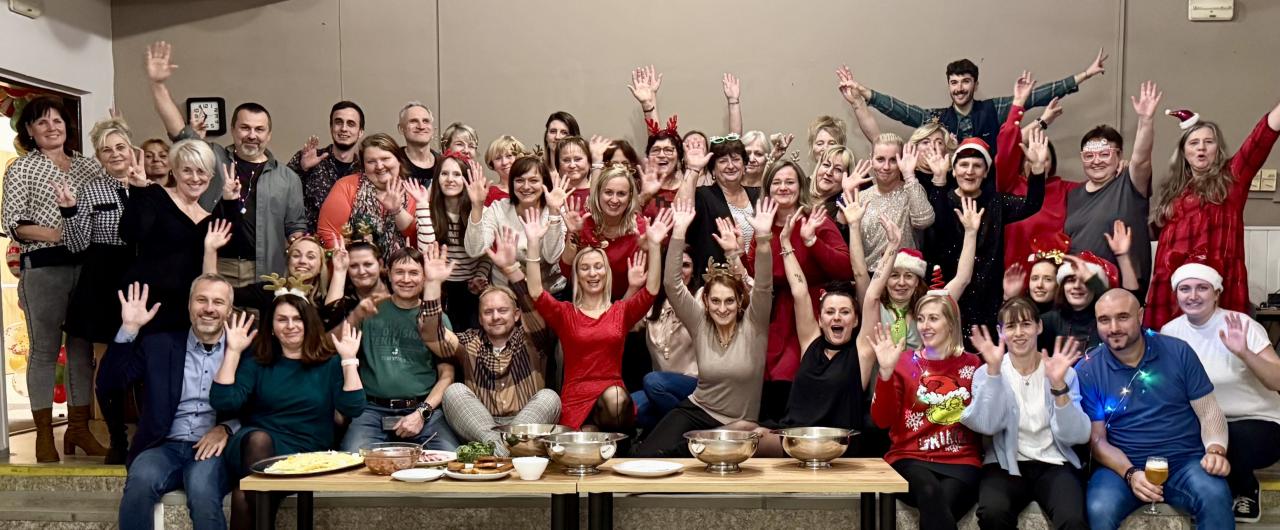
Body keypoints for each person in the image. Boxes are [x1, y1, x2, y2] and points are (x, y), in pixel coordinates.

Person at [146, 41, 307, 286]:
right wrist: (158, 85)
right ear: (233, 130)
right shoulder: (212, 157)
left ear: (269, 135)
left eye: (259, 129)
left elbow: (295, 227)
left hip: (265, 272)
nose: (252, 135)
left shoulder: (288, 178)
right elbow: (179, 133)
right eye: (245, 128)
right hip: (213, 263)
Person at [2, 96, 106, 462]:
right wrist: (61, 234)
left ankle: (78, 429)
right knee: (45, 350)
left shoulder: (88, 167)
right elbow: (13, 223)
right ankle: (45, 434)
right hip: (44, 267)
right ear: (29, 131)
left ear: (67, 126)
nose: (51, 127)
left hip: (87, 268)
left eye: (57, 120)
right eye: (42, 122)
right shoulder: (21, 168)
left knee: (81, 351)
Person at [1076, 289, 1234, 530]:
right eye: (1104, 320)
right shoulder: (1088, 369)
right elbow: (1097, 440)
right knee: (1099, 508)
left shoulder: (1178, 352)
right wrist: (1130, 473)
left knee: (1215, 494)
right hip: (1121, 468)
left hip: (1184, 463)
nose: (1114, 327)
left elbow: (1209, 411)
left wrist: (1216, 451)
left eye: (1123, 317)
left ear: (1140, 316)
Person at [632, 198, 774, 457]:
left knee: (681, 457)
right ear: (706, 302)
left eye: (729, 301)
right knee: (645, 457)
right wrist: (678, 232)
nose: (723, 308)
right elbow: (673, 285)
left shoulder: (755, 325)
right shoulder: (700, 323)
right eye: (716, 301)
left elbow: (764, 286)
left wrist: (763, 239)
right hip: (697, 410)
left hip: (736, 424)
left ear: (739, 302)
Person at [211, 297, 365, 530]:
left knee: (243, 497)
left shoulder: (329, 364)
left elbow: (354, 408)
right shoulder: (258, 363)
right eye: (282, 319)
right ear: (272, 327)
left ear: (308, 323)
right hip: (257, 447)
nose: (290, 325)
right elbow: (223, 401)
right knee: (259, 440)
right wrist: (233, 351)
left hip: (308, 450)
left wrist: (349, 360)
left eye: (297, 319)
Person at [102, 278, 240, 530]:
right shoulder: (158, 345)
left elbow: (260, 406)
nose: (209, 308)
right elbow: (110, 383)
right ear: (189, 305)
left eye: (218, 302)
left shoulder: (240, 350)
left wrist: (227, 428)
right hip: (162, 447)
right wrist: (129, 328)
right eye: (201, 300)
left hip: (213, 452)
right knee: (140, 482)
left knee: (202, 490)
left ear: (229, 310)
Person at [521, 205, 668, 431]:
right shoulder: (565, 313)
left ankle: (617, 442)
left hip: (614, 401)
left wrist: (655, 246)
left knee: (616, 397)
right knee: (588, 434)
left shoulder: (620, 311)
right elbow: (535, 292)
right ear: (577, 275)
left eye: (598, 267)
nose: (592, 273)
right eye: (585, 268)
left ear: (606, 273)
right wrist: (533, 243)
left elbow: (651, 291)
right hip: (576, 398)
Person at [56, 116, 148, 463]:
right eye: (106, 150)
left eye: (120, 147)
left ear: (131, 149)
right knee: (112, 365)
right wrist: (68, 212)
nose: (115, 154)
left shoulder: (150, 187)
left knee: (148, 361)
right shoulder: (90, 190)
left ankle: (148, 435)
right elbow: (77, 245)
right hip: (105, 282)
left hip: (145, 280)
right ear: (98, 156)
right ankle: (117, 439)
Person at [1160, 261, 1280, 523]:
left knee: (1226, 439)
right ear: (1176, 294)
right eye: (1185, 289)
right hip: (1203, 419)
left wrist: (1245, 353)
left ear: (1216, 293)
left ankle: (1245, 489)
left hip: (1256, 421)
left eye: (1202, 288)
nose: (1193, 296)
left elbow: (1277, 381)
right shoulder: (1169, 332)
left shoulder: (1241, 324)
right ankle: (1207, 497)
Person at [1144, 97, 1280, 329]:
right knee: (1166, 347)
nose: (1201, 147)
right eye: (1194, 142)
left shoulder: (1232, 179)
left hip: (1218, 286)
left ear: (1218, 150)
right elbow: (1152, 233)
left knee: (1221, 346)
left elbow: (1261, 138)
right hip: (1171, 288)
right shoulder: (1171, 191)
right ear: (1184, 152)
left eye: (1209, 142)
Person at [423, 229, 561, 455]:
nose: (495, 316)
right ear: (480, 318)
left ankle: (498, 450)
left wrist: (510, 269)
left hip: (527, 424)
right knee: (453, 392)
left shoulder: (532, 339)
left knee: (550, 397)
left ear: (516, 315)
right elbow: (433, 336)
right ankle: (504, 449)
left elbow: (532, 308)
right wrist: (432, 284)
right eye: (488, 312)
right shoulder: (469, 341)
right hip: (481, 425)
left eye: (502, 310)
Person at [963, 298, 1090, 530]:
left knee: (1073, 520)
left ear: (1039, 326)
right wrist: (993, 373)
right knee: (993, 513)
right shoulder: (986, 372)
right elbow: (987, 425)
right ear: (1000, 332)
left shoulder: (1063, 372)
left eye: (1026, 324)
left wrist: (1058, 385)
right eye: (1011, 326)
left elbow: (1077, 436)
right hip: (1004, 465)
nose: (1019, 333)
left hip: (1054, 463)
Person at [868, 292, 984, 530]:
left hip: (961, 460)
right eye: (920, 319)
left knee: (942, 504)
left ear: (950, 324)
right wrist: (886, 374)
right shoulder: (903, 362)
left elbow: (986, 417)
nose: (924, 325)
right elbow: (881, 420)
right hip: (910, 458)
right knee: (930, 492)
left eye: (933, 318)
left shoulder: (972, 364)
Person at [840, 50, 1107, 153]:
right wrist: (865, 93)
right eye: (954, 82)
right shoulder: (936, 119)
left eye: (965, 81)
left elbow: (1036, 96)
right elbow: (902, 110)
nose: (959, 88)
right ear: (949, 85)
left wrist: (1083, 75)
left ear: (975, 84)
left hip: (991, 189)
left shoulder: (993, 109)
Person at [920, 128, 1048, 339]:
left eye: (977, 166)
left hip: (988, 300)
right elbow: (937, 227)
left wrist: (1037, 168)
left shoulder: (996, 202)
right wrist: (939, 180)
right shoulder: (943, 199)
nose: (969, 171)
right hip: (950, 293)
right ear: (954, 170)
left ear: (986, 172)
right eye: (963, 165)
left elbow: (1032, 204)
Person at [756, 160, 854, 422]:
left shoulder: (816, 220)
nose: (783, 187)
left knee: (794, 374)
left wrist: (812, 241)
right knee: (768, 380)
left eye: (789, 182)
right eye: (777, 182)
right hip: (775, 315)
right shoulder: (764, 225)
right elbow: (756, 273)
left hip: (811, 311)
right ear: (768, 189)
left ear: (800, 186)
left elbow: (845, 268)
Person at [339, 247, 459, 452]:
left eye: (413, 273)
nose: (406, 279)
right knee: (352, 457)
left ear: (424, 277)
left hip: (422, 409)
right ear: (388, 274)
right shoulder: (370, 310)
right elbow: (340, 347)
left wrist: (421, 413)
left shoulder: (436, 318)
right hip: (373, 411)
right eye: (399, 272)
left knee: (451, 455)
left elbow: (447, 375)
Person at [119, 139, 234, 333]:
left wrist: (230, 202)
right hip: (146, 305)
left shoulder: (209, 219)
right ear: (174, 171)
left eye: (201, 171)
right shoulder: (155, 195)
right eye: (187, 170)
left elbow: (228, 244)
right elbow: (130, 233)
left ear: (210, 176)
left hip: (186, 309)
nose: (195, 178)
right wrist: (137, 190)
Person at [1063, 81, 1161, 300]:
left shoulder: (1130, 183)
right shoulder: (1073, 195)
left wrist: (1145, 121)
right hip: (1080, 293)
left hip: (1123, 291)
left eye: (1104, 154)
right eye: (1089, 156)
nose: (1096, 161)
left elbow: (1142, 159)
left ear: (1119, 156)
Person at [994, 73, 1075, 268]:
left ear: (1052, 164)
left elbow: (1098, 186)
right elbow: (1006, 148)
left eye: (1045, 159)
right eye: (1032, 159)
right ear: (1023, 162)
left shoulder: (1064, 188)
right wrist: (1018, 104)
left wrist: (1120, 169)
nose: (1039, 162)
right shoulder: (1010, 185)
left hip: (1050, 277)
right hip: (1013, 274)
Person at [464, 155, 567, 292]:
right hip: (505, 291)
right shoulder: (499, 209)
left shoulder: (555, 209)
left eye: (533, 180)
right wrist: (477, 206)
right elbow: (475, 250)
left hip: (548, 291)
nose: (526, 186)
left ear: (544, 183)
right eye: (519, 180)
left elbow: (552, 257)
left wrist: (554, 212)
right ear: (511, 183)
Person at [316, 133, 418, 253]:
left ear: (399, 160)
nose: (379, 166)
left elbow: (419, 241)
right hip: (354, 262)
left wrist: (397, 211)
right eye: (371, 161)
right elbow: (328, 235)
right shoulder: (346, 186)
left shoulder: (415, 192)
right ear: (363, 165)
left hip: (402, 264)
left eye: (385, 159)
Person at [561, 164, 648, 301]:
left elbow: (641, 284)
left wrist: (617, 313)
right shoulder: (583, 221)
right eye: (608, 192)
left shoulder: (640, 230)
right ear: (598, 193)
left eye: (621, 194)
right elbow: (566, 270)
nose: (614, 200)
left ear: (630, 197)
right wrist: (573, 235)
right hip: (582, 301)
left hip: (625, 301)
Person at [203, 221, 330, 311]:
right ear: (288, 262)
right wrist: (210, 251)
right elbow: (220, 294)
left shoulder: (326, 298)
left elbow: (333, 321)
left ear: (321, 266)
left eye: (311, 257)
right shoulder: (270, 290)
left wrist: (339, 272)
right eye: (296, 255)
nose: (302, 261)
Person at [675, 135, 752, 277]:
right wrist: (693, 169)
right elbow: (680, 211)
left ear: (744, 165)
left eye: (736, 159)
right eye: (723, 161)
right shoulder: (704, 196)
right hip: (718, 281)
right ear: (713, 170)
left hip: (756, 279)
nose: (730, 166)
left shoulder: (757, 194)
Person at [432, 151, 492, 331]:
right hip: (441, 286)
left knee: (473, 336)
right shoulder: (428, 211)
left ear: (467, 179)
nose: (450, 179)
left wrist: (480, 275)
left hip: (471, 286)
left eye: (457, 174)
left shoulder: (482, 211)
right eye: (444, 173)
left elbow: (484, 254)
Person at [853, 134, 934, 268]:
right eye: (880, 159)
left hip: (903, 274)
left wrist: (909, 175)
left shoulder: (911, 190)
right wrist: (848, 192)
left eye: (893, 160)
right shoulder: (862, 197)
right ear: (871, 159)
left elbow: (924, 221)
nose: (886, 167)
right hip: (868, 274)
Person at [289, 100, 366, 231]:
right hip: (310, 240)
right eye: (338, 122)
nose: (344, 128)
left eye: (351, 124)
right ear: (331, 128)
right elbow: (282, 195)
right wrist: (302, 169)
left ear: (360, 132)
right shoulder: (309, 158)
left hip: (351, 241)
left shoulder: (364, 169)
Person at [1039, 252, 1121, 353]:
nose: (1077, 286)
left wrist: (1091, 278)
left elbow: (1117, 306)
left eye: (1085, 281)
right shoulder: (1049, 321)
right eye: (1071, 280)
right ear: (1062, 287)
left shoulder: (1106, 322)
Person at [398, 101, 442, 188]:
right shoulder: (393, 161)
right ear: (401, 129)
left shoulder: (444, 164)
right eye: (413, 121)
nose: (421, 126)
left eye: (426, 121)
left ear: (433, 129)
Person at [481, 135, 527, 206]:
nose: (504, 162)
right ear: (492, 164)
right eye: (498, 158)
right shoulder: (488, 194)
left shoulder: (532, 188)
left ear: (519, 157)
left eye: (509, 156)